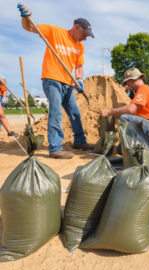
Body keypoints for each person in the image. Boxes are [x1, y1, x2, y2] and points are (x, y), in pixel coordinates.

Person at [18, 4, 94, 159]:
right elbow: (30, 28)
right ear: (76, 26)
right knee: (56, 113)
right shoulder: (55, 31)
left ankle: (79, 141)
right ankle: (55, 148)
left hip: (68, 83)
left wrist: (79, 80)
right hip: (52, 79)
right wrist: (26, 17)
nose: (85, 37)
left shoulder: (80, 47)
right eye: (84, 33)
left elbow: (78, 67)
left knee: (75, 113)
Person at [100, 68, 149, 150]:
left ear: (133, 80)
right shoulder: (142, 90)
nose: (127, 85)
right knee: (121, 150)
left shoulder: (144, 89)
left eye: (127, 82)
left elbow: (130, 109)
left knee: (124, 118)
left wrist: (109, 112)